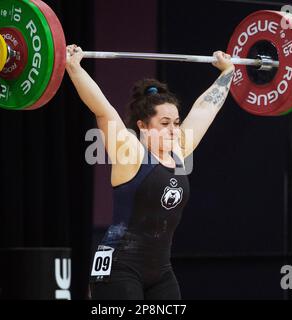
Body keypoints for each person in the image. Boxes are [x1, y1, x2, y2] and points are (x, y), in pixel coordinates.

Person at [66, 44, 235, 300]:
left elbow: (205, 109)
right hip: (119, 268)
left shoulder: (179, 151)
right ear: (143, 127)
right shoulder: (130, 153)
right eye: (165, 123)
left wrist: (228, 72)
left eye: (176, 123)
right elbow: (102, 110)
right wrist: (74, 67)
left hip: (160, 271)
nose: (173, 130)